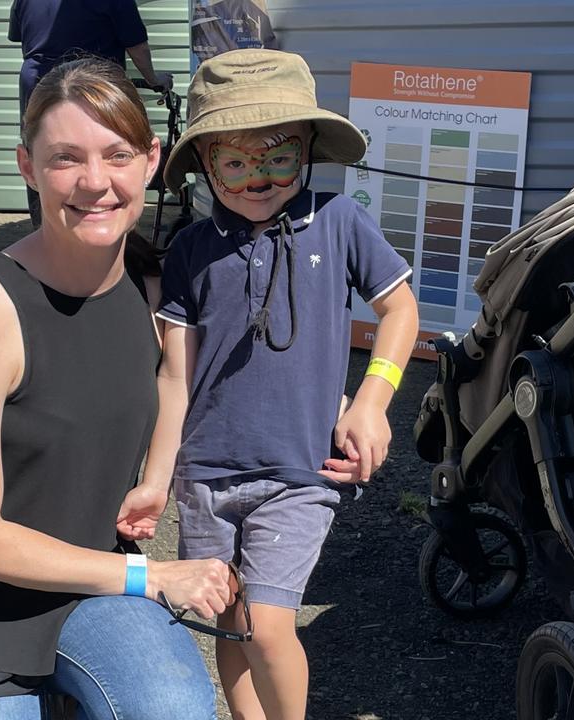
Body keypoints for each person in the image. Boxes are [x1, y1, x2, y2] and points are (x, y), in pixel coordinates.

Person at [0, 57, 230, 720]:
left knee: (176, 710)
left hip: (93, 581)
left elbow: (177, 376)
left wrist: (156, 477)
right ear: (27, 167)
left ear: (151, 160)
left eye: (116, 154)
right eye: (65, 158)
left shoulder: (155, 286)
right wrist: (151, 577)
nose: (95, 182)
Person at [134, 49, 421, 720]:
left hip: (299, 473)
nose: (256, 177)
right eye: (234, 161)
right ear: (204, 164)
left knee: (266, 625)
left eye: (277, 156)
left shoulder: (341, 222)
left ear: (308, 150)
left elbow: (400, 309)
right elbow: (174, 373)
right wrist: (155, 478)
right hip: (204, 476)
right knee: (229, 625)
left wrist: (373, 401)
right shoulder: (190, 252)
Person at [8, 0, 174, 227]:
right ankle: (104, 228)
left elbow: (21, 35)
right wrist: (153, 78)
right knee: (105, 157)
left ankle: (45, 230)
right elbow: (137, 45)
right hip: (93, 86)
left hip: (38, 83)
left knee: (46, 156)